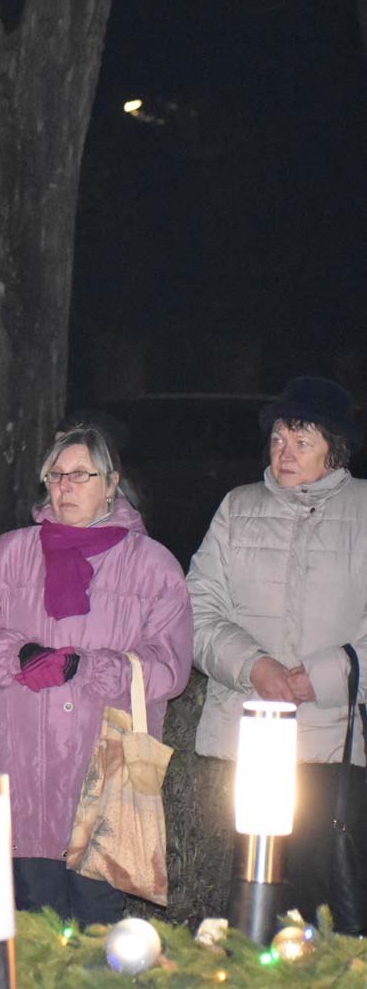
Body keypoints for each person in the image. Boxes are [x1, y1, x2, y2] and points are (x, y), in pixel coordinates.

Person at [0, 423, 192, 924]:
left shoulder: (153, 567)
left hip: (107, 774)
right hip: (23, 764)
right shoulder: (6, 556)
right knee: (37, 921)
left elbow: (170, 667)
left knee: (98, 924)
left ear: (112, 483)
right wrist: (21, 656)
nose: (65, 486)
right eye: (56, 475)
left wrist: (89, 667)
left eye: (81, 474)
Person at [190, 375, 367, 928]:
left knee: (323, 907)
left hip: (332, 743)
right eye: (278, 439)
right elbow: (197, 610)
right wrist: (253, 666)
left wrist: (326, 675)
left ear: (335, 449)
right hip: (249, 739)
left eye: (302, 441)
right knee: (253, 902)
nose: (285, 453)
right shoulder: (237, 508)